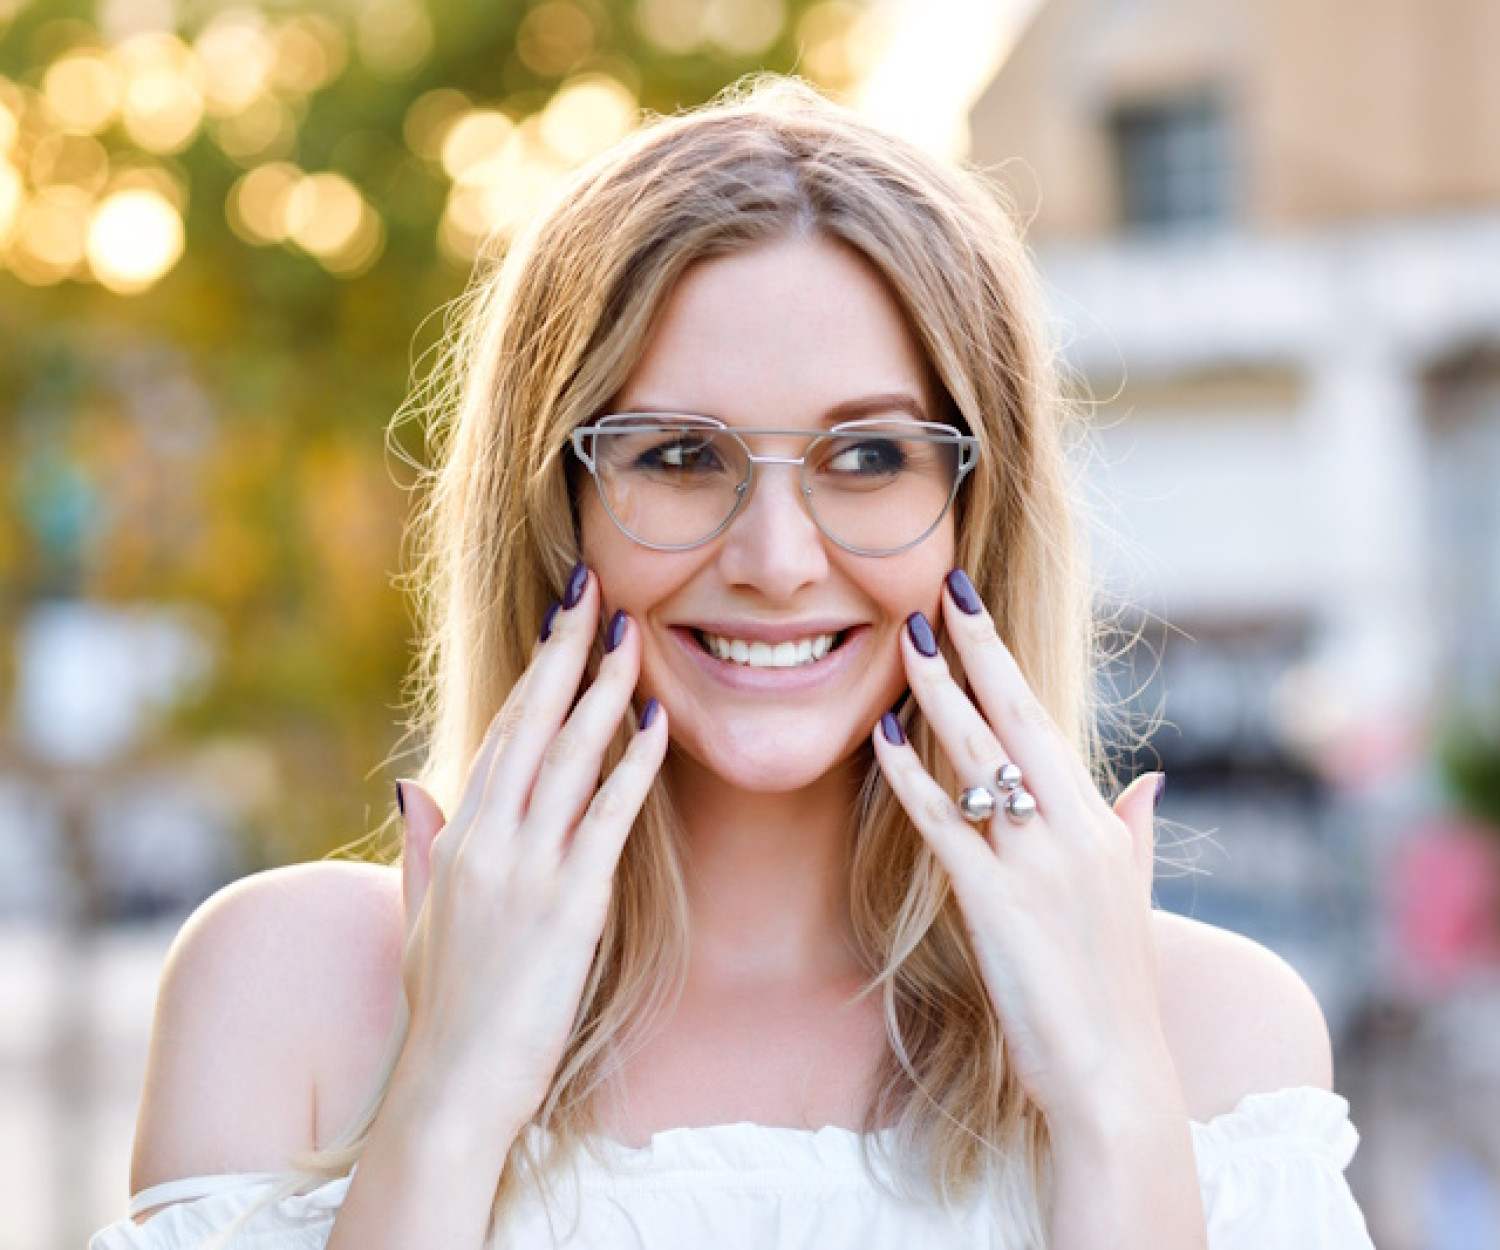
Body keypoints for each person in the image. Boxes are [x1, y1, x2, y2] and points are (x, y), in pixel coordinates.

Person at [91, 76, 1375, 1249]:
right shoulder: (292, 988)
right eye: (678, 454)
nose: (774, 557)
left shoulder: (1215, 1032)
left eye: (871, 459)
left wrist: (1110, 1098)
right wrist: (447, 1096)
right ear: (556, 507)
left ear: (981, 511)